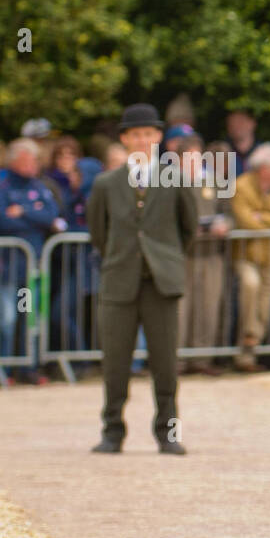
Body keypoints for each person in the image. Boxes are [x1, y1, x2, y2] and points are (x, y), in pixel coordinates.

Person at [86, 103, 198, 451]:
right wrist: (124, 258)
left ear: (159, 137)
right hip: (120, 279)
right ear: (124, 139)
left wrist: (164, 258)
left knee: (165, 364)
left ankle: (168, 433)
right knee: (115, 362)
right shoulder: (106, 183)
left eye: (149, 134)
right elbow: (99, 233)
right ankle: (112, 431)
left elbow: (188, 229)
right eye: (135, 134)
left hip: (160, 281)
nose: (142, 140)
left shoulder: (175, 178)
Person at [0, 139, 60, 384]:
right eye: (26, 160)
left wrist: (23, 211)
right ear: (15, 160)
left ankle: (29, 368)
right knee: (6, 319)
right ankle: (4, 369)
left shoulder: (39, 186)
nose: (31, 165)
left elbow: (50, 217)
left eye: (34, 160)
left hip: (32, 269)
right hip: (7, 267)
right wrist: (32, 218)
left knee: (30, 317)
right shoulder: (1, 186)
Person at [230, 143, 270, 372]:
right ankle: (249, 340)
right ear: (264, 169)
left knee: (265, 305)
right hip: (246, 255)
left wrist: (262, 218)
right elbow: (245, 221)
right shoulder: (241, 186)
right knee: (250, 286)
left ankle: (251, 348)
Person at [176, 133, 233, 374]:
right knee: (179, 310)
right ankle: (175, 360)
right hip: (180, 255)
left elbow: (230, 214)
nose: (193, 163)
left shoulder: (216, 182)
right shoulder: (168, 183)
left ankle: (202, 359)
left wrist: (225, 225)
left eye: (196, 158)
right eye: (188, 158)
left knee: (208, 306)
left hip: (210, 253)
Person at [46, 135, 104, 356]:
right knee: (64, 313)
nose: (72, 176)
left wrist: (66, 230)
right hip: (71, 264)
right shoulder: (74, 196)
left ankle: (80, 358)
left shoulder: (94, 199)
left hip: (87, 266)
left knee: (60, 313)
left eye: (77, 173)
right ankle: (76, 357)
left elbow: (95, 229)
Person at [223, 109, 261, 175]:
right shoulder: (219, 152)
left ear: (253, 123)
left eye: (241, 122)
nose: (236, 126)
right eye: (232, 122)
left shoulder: (266, 152)